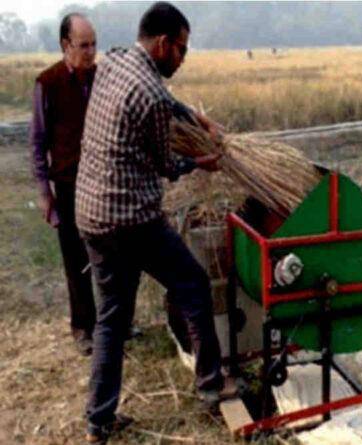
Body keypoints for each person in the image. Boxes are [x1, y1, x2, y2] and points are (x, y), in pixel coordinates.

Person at [74, 2, 224, 443]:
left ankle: (98, 420)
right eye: (180, 49)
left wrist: (192, 116)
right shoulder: (152, 98)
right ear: (162, 44)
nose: (182, 58)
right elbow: (167, 166)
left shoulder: (116, 59)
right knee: (193, 285)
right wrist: (203, 162)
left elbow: (165, 103)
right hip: (131, 221)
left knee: (111, 318)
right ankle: (212, 387)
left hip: (91, 215)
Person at [29, 13, 98, 356]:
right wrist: (44, 192)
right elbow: (38, 142)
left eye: (93, 44)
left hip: (102, 184)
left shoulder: (101, 79)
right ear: (65, 46)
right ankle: (83, 327)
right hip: (69, 185)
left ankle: (114, 324)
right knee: (76, 259)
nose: (90, 52)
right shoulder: (48, 83)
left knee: (111, 256)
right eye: (83, 46)